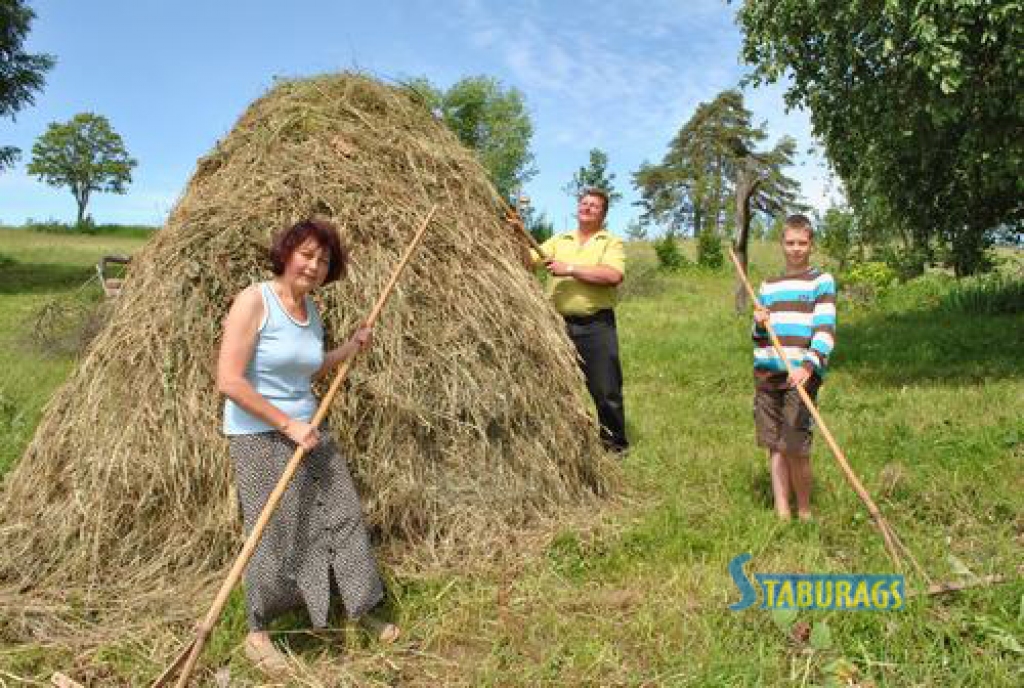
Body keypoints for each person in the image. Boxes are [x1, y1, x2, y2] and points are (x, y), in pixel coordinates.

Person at [217, 219, 398, 674]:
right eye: (307, 254)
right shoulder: (254, 300)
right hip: (259, 433)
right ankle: (258, 631)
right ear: (286, 253)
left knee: (343, 513)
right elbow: (229, 381)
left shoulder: (310, 310)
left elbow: (308, 371)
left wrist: (348, 350)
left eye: (324, 260)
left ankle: (359, 608)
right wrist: (285, 424)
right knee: (275, 531)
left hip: (308, 426)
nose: (314, 265)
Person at [521, 189, 628, 453]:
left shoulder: (609, 242)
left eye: (594, 205)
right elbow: (527, 262)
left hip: (596, 326)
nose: (587, 208)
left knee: (605, 389)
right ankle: (562, 443)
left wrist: (569, 269)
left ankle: (614, 447)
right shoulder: (560, 239)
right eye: (584, 203)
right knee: (554, 386)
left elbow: (613, 275)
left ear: (603, 214)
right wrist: (518, 233)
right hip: (556, 325)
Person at [751, 214, 837, 521]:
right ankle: (782, 512)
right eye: (790, 242)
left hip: (800, 375)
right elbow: (758, 336)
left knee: (796, 446)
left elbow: (825, 330)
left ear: (811, 244)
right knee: (774, 445)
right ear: (782, 245)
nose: (796, 248)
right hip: (767, 372)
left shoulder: (821, 282)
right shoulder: (769, 285)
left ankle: (804, 511)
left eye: (802, 243)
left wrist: (809, 366)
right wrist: (760, 322)